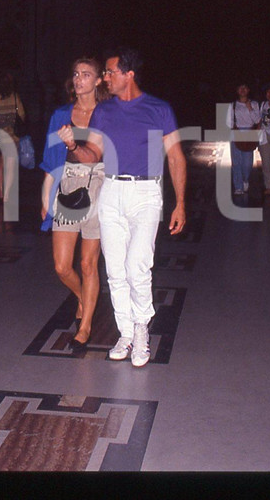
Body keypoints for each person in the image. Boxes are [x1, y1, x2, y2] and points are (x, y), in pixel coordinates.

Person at [59, 46, 186, 368]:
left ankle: (142, 329)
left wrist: (180, 203)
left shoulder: (158, 109)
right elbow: (92, 155)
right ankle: (125, 332)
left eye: (110, 72)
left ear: (129, 75)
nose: (105, 78)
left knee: (137, 267)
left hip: (146, 192)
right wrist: (74, 146)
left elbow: (175, 157)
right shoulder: (105, 111)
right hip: (112, 190)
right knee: (115, 270)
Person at [40, 57, 109, 349]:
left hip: (100, 186)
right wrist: (46, 198)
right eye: (76, 74)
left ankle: (86, 325)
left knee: (88, 262)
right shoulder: (61, 115)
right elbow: (51, 161)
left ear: (98, 81)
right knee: (62, 266)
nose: (79, 79)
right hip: (68, 187)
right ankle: (83, 295)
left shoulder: (107, 114)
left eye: (86, 74)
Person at [0, 70, 27, 226]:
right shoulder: (14, 97)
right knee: (10, 164)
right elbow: (22, 115)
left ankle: (0, 190)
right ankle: (8, 194)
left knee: (1, 163)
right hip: (13, 135)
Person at [226, 82, 261, 195]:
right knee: (236, 162)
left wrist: (250, 108)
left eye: (245, 87)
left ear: (248, 90)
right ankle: (238, 186)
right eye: (240, 87)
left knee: (247, 163)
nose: (243, 90)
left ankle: (245, 179)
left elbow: (257, 120)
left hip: (249, 133)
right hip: (236, 133)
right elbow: (228, 122)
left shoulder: (254, 104)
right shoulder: (233, 105)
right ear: (237, 90)